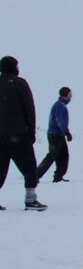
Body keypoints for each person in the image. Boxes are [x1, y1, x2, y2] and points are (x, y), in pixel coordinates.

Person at [0, 56, 47, 211]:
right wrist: (31, 132)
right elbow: (29, 108)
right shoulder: (20, 83)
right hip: (19, 134)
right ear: (14, 67)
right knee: (29, 167)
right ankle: (30, 199)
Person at [36, 87, 72, 182]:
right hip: (56, 135)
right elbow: (59, 120)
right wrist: (66, 132)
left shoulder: (60, 105)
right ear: (65, 95)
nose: (71, 96)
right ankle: (36, 174)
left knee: (62, 156)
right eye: (70, 94)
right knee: (52, 156)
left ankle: (58, 177)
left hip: (57, 134)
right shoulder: (60, 106)